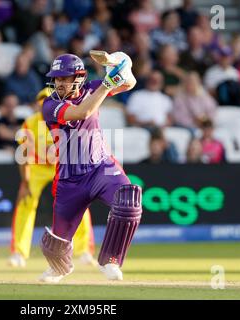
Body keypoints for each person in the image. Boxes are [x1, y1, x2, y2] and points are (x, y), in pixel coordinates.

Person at [40, 52, 142, 282]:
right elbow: (82, 112)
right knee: (56, 247)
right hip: (70, 177)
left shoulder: (92, 88)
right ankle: (58, 269)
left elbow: (130, 81)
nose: (59, 83)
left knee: (129, 203)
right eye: (56, 79)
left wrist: (115, 62)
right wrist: (106, 85)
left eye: (64, 78)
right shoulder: (50, 104)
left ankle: (111, 261)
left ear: (78, 77)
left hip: (102, 168)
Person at [9, 88, 96, 268]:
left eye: (47, 100)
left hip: (62, 165)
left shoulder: (67, 118)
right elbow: (23, 154)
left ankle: (84, 251)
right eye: (41, 101)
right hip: (37, 166)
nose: (44, 104)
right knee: (25, 203)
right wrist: (25, 183)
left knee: (79, 203)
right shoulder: (30, 123)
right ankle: (19, 252)